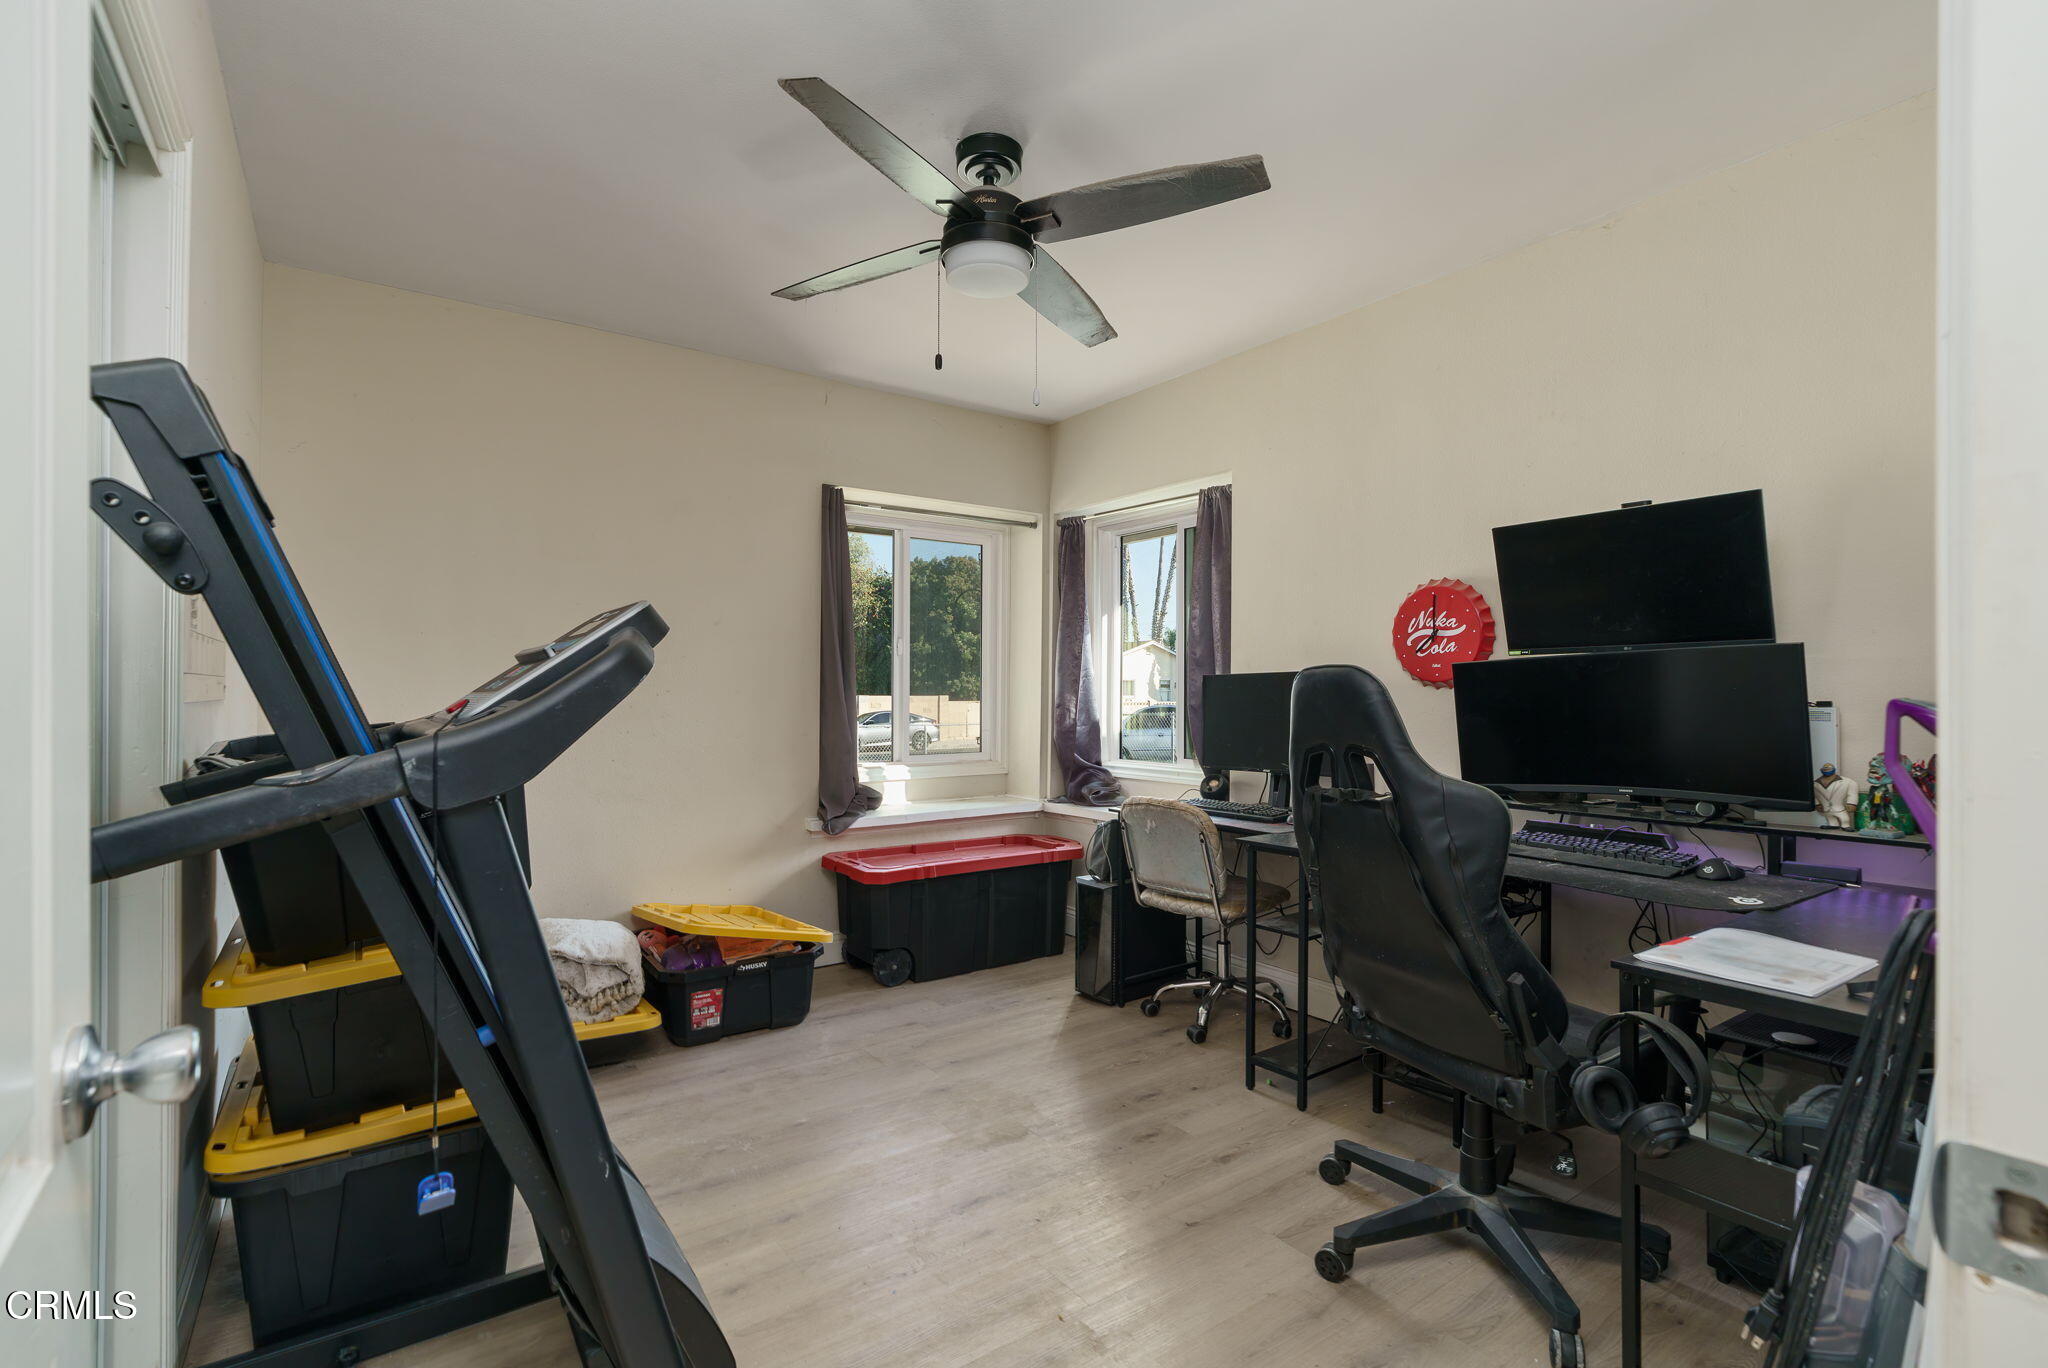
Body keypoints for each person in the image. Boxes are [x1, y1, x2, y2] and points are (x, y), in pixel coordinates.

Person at [1813, 762, 1857, 829]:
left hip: (1839, 808)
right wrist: (1817, 804)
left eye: (1829, 769)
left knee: (1844, 819)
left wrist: (1851, 803)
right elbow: (1813, 796)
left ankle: (1846, 826)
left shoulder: (1848, 782)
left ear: (1834, 770)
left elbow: (1852, 794)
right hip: (1825, 809)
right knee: (1830, 818)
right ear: (1821, 770)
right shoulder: (1814, 783)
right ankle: (1833, 825)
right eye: (1825, 769)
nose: (1827, 770)